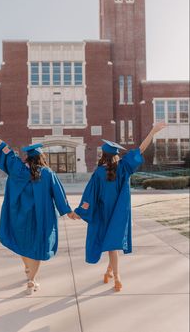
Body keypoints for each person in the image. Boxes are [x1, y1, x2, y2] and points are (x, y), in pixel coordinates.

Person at [0, 123, 79, 295]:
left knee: (23, 243)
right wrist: (69, 211)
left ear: (27, 158)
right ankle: (32, 280)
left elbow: (6, 150)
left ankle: (28, 270)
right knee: (38, 246)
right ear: (42, 159)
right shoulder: (48, 173)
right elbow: (59, 194)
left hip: (20, 216)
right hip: (42, 217)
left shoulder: (17, 169)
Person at [74, 122, 166, 292]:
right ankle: (112, 274)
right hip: (119, 213)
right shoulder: (124, 167)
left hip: (103, 213)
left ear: (102, 155)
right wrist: (152, 131)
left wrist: (80, 211)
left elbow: (89, 197)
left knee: (112, 245)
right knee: (113, 244)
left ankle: (115, 275)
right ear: (116, 155)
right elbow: (140, 149)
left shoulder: (98, 174)